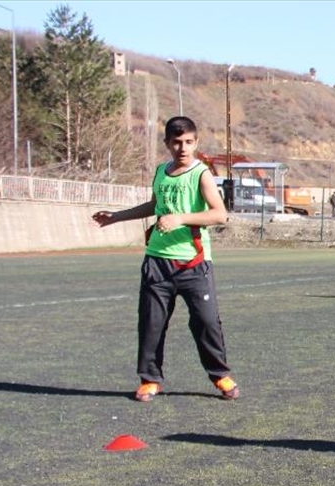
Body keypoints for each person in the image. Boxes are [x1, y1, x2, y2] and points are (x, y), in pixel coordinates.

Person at [92, 116, 240, 403]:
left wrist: (181, 219)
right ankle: (150, 379)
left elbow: (220, 214)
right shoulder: (161, 171)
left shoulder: (201, 174)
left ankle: (220, 375)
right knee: (151, 322)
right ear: (167, 144)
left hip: (193, 264)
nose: (182, 148)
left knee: (206, 322)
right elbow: (154, 205)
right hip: (157, 262)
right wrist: (116, 217)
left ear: (196, 142)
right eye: (176, 142)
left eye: (188, 142)